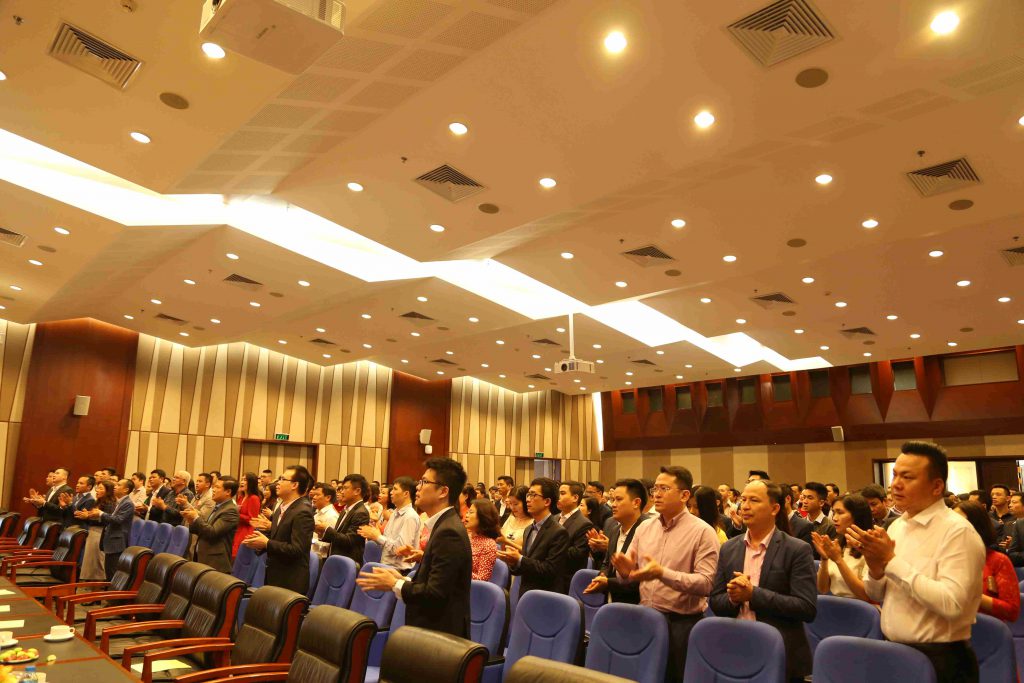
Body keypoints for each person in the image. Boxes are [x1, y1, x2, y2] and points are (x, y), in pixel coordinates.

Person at [851, 442, 985, 683]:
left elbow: (953, 605)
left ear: (937, 486)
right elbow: (876, 594)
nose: (895, 484)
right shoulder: (897, 526)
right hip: (894, 652)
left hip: (941, 659)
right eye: (895, 475)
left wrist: (889, 561)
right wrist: (875, 568)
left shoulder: (957, 532)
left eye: (907, 477)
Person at [603, 467, 720, 682]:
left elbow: (706, 583)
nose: (656, 494)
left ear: (684, 495)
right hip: (644, 618)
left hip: (680, 625)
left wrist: (662, 574)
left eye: (664, 489)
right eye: (655, 489)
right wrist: (625, 572)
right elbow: (628, 575)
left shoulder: (703, 532)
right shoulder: (645, 528)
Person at [711, 480, 816, 682]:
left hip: (780, 651)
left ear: (774, 509)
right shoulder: (729, 548)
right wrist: (733, 598)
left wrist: (753, 594)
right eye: (743, 500)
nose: (745, 506)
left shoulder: (796, 549)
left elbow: (806, 608)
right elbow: (715, 601)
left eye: (754, 500)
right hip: (735, 646)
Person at [356, 458, 472, 638]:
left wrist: (395, 584)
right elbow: (436, 584)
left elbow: (435, 594)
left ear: (443, 491)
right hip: (432, 631)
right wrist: (405, 580)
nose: (418, 487)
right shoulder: (443, 525)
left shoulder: (449, 532)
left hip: (440, 638)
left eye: (424, 482)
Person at [243, 465, 315, 596]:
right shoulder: (282, 507)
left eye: (283, 479)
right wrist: (258, 541)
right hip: (274, 575)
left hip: (290, 581)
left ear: (294, 485)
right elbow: (277, 536)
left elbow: (297, 549)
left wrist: (267, 543)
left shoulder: (302, 512)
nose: (277, 483)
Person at [498, 477, 570, 596]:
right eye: (528, 495)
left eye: (533, 495)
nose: (528, 499)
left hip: (545, 595)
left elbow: (550, 570)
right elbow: (524, 567)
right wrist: (513, 562)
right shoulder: (528, 529)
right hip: (525, 592)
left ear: (547, 502)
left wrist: (520, 559)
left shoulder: (558, 532)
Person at [584, 478, 649, 604]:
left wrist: (608, 582)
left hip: (636, 604)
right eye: (613, 500)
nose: (613, 504)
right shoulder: (614, 528)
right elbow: (606, 563)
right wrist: (602, 576)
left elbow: (644, 577)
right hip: (612, 601)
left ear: (636, 503)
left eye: (618, 499)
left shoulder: (648, 531)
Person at [953, 500, 1019, 622]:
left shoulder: (997, 560)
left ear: (977, 526)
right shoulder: (942, 558)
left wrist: (973, 596)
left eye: (960, 522)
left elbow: (1011, 611)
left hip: (985, 629)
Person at [811, 494, 873, 601]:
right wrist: (824, 559)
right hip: (837, 606)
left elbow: (866, 595)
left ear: (857, 516)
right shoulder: (838, 545)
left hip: (861, 607)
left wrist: (839, 560)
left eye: (840, 513)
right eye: (834, 512)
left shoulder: (871, 548)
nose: (834, 518)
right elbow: (822, 589)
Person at [358, 477, 421, 572]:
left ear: (406, 494)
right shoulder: (395, 513)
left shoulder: (410, 516)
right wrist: (372, 534)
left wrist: (378, 537)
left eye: (395, 489)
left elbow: (400, 549)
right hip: (386, 566)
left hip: (399, 570)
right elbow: (386, 543)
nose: (391, 492)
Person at [78, 479, 136, 580]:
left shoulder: (128, 503)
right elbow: (111, 518)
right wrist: (94, 515)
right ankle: (106, 588)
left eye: (118, 485)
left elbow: (118, 520)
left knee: (112, 572)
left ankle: (110, 590)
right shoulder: (120, 502)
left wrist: (100, 514)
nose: (115, 487)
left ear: (126, 489)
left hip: (117, 540)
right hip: (110, 539)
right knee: (109, 570)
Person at [183, 477, 239, 573]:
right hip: (203, 557)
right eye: (214, 487)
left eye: (217, 487)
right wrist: (191, 521)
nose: (213, 489)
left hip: (215, 562)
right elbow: (203, 529)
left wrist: (196, 517)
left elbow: (212, 532)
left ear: (228, 492)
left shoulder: (230, 510)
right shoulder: (217, 506)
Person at [318, 474, 369, 565]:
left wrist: (327, 529)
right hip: (337, 558)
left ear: (357, 491)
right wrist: (322, 533)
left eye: (345, 488)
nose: (341, 492)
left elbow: (349, 541)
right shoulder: (346, 509)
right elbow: (338, 536)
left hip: (348, 562)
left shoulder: (361, 513)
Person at [76, 479, 116, 581]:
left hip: (100, 533)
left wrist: (88, 516)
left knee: (97, 562)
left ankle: (98, 587)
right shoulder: (98, 502)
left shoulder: (110, 504)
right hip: (92, 532)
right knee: (91, 562)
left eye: (101, 488)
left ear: (108, 491)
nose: (97, 490)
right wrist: (87, 515)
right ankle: (90, 585)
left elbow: (107, 520)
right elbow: (93, 516)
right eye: (97, 488)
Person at [557, 481, 595, 585]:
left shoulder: (584, 524)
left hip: (567, 579)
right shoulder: (554, 518)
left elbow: (577, 554)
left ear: (575, 498)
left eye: (562, 493)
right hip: (550, 573)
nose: (558, 497)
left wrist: (551, 548)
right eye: (558, 493)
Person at [466, 499, 500, 581]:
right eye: (467, 512)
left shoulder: (488, 545)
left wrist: (459, 569)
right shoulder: (466, 537)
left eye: (471, 512)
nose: (466, 515)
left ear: (483, 517)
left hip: (472, 587)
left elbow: (482, 579)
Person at [800, 482, 836, 558]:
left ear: (821, 503)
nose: (805, 501)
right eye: (804, 497)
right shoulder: (800, 523)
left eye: (810, 498)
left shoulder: (830, 526)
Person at [233, 472, 262, 558]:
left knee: (239, 557)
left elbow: (252, 519)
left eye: (245, 480)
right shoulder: (241, 497)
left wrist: (236, 514)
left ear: (251, 482)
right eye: (242, 479)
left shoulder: (254, 498)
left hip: (246, 532)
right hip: (238, 529)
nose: (242, 482)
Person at [309, 482, 340, 559]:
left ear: (328, 497)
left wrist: (310, 541)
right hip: (312, 555)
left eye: (317, 495)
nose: (314, 497)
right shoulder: (317, 513)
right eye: (314, 495)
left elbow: (331, 543)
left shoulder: (331, 515)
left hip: (322, 559)